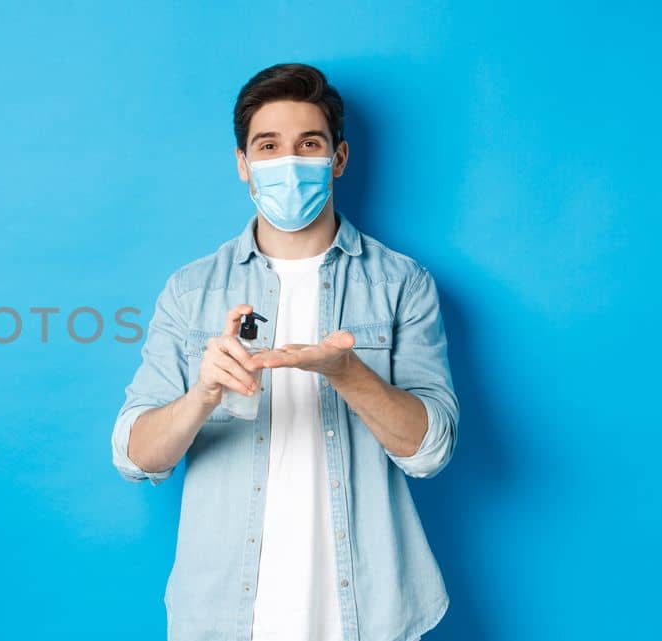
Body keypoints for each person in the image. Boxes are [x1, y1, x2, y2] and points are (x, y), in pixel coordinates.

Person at [110, 63, 457, 641]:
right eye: (268, 146)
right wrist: (202, 395)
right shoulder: (190, 291)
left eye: (308, 144)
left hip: (368, 615)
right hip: (222, 616)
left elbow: (431, 451)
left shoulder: (402, 284)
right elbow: (134, 457)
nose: (287, 162)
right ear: (244, 164)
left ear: (338, 159)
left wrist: (348, 374)